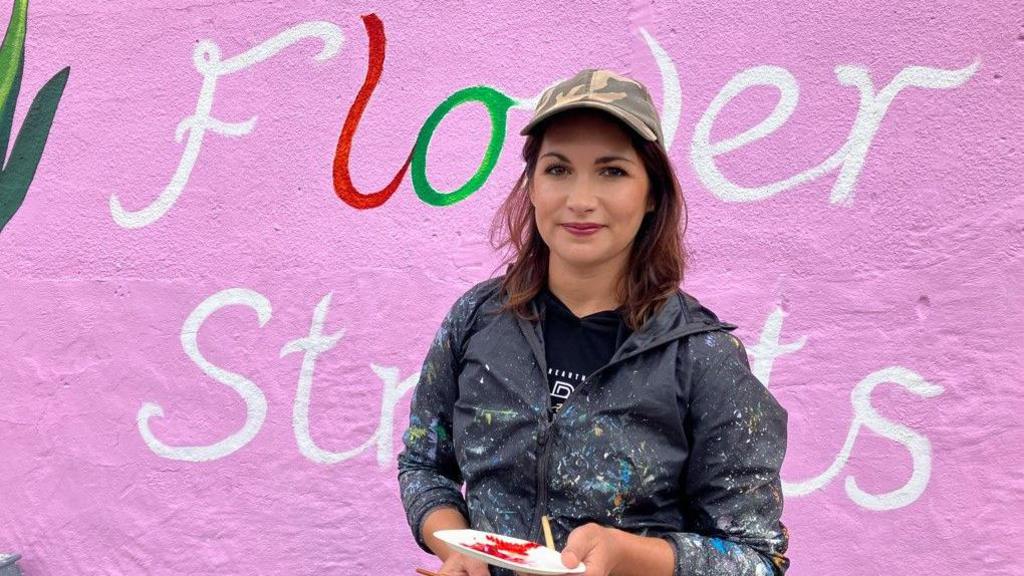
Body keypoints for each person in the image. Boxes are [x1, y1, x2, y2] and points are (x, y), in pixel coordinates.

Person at [397, 69, 789, 576]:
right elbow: (424, 467)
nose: (580, 199)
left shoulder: (700, 356)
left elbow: (759, 558)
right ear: (532, 186)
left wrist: (632, 555)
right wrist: (456, 546)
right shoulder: (478, 319)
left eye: (612, 171)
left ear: (652, 194)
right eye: (558, 169)